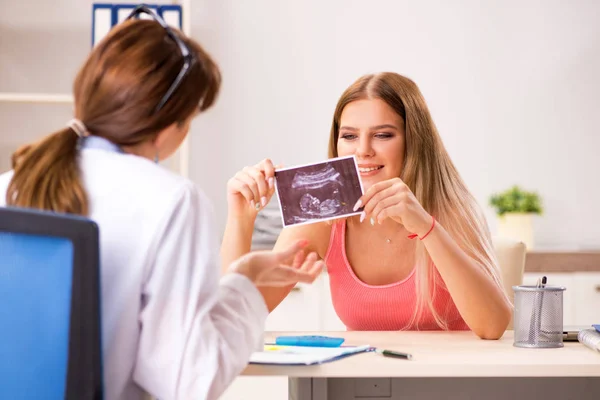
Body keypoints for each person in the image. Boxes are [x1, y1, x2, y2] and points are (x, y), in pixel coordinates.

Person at [0, 7, 323, 400]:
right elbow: (190, 383)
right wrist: (246, 285)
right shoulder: (172, 200)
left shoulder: (11, 184)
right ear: (170, 125)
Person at [222, 72, 512, 340]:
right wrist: (240, 217)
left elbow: (493, 326)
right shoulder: (325, 218)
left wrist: (426, 227)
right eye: (349, 136)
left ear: (414, 141)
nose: (363, 150)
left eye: (383, 135)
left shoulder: (452, 211)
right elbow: (231, 317)